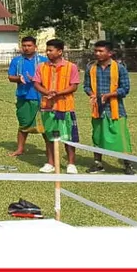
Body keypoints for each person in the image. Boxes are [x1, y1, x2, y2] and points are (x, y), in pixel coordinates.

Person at [83, 40, 134, 174]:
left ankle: (127, 165)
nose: (97, 53)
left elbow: (125, 88)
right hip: (97, 109)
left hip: (116, 109)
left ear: (110, 53)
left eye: (101, 51)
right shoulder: (91, 68)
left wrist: (109, 95)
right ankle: (98, 164)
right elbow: (86, 86)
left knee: (122, 138)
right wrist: (92, 94)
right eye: (96, 51)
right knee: (97, 136)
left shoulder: (119, 68)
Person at [33, 39, 79, 174]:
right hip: (47, 106)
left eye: (50, 50)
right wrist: (47, 92)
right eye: (47, 50)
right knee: (49, 136)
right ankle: (50, 163)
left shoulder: (71, 67)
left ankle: (71, 163)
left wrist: (58, 93)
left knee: (68, 137)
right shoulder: (41, 66)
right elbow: (36, 83)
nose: (47, 53)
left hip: (65, 106)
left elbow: (74, 85)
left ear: (60, 51)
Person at [6, 36, 46, 157]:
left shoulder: (43, 60)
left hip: (41, 97)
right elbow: (10, 77)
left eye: (29, 46)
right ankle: (20, 149)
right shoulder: (17, 61)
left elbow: (50, 78)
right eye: (24, 46)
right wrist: (18, 78)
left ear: (35, 46)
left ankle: (49, 148)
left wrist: (36, 80)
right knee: (23, 123)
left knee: (44, 125)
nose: (26, 48)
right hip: (24, 97)